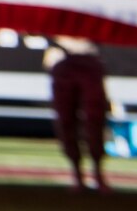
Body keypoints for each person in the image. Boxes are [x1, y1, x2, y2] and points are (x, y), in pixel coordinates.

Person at [50, 36, 111, 192]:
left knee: (94, 119)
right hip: (62, 58)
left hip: (88, 58)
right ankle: (77, 174)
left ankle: (97, 173)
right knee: (66, 119)